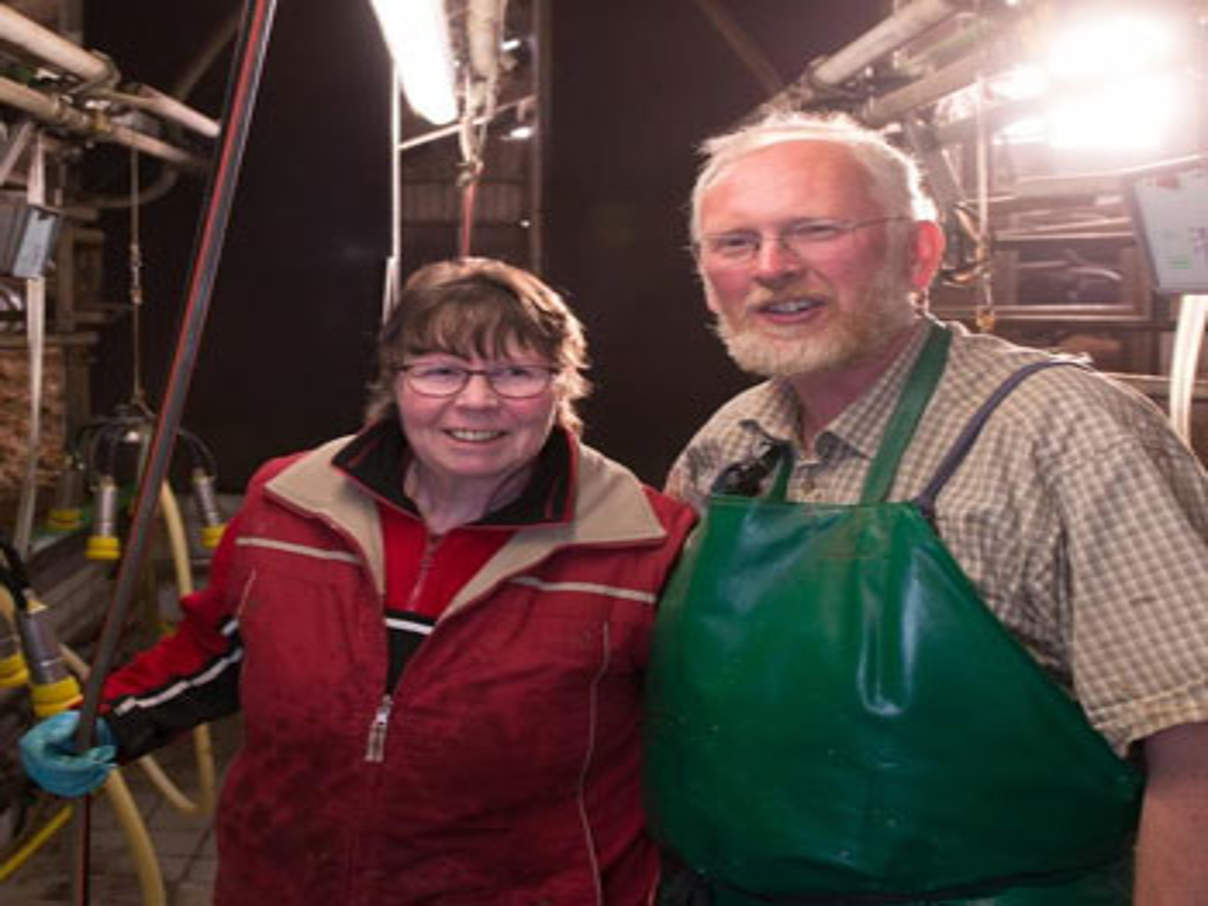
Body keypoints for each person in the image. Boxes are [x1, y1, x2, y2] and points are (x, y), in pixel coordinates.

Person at [644, 111, 1208, 906]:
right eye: (736, 243)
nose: (772, 267)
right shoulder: (726, 446)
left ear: (922, 250)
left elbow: (1196, 759)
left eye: (814, 230)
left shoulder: (1061, 434)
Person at [21, 257, 696, 904]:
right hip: (284, 884)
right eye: (440, 370)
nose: (477, 400)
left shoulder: (643, 543)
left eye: (516, 373)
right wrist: (106, 718)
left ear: (563, 385)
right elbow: (218, 650)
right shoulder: (289, 500)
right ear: (395, 382)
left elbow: (700, 747)